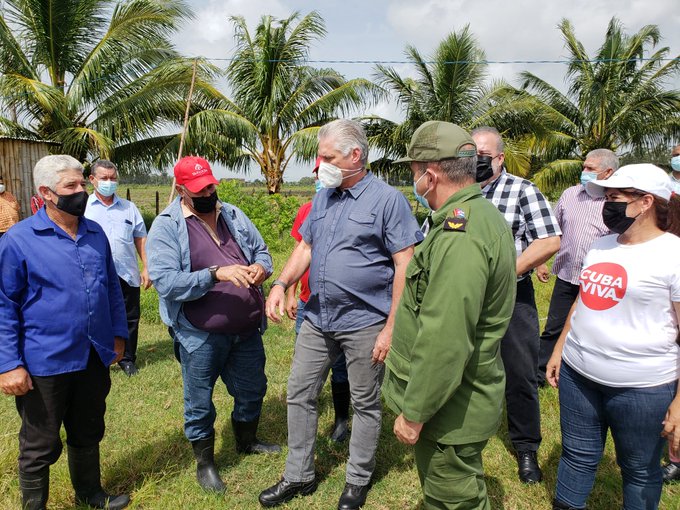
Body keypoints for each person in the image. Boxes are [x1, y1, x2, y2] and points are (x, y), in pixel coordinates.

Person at [259, 119, 423, 510]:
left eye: (327, 156)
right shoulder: (323, 198)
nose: (321, 164)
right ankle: (299, 474)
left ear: (355, 156)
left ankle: (357, 479)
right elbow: (305, 248)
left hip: (365, 322)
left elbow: (405, 264)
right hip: (317, 318)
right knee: (300, 392)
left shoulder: (388, 200)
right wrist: (280, 284)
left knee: (365, 402)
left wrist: (391, 328)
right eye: (320, 156)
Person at [382, 121, 517, 509]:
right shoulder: (476, 216)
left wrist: (415, 412)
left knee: (453, 501)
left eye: (413, 173)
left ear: (430, 174)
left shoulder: (462, 234)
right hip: (457, 397)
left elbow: (446, 337)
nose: (414, 182)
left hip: (449, 408)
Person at [546, 163, 680, 510]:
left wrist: (679, 402)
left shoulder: (673, 255)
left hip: (642, 389)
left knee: (638, 469)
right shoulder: (601, 246)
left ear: (646, 202)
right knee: (576, 455)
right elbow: (583, 301)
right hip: (579, 375)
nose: (608, 205)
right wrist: (560, 349)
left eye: (616, 197)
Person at [0, 155, 129, 510]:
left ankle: (90, 494)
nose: (81, 192)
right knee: (39, 442)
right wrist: (9, 364)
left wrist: (118, 335)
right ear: (46, 193)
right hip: (45, 360)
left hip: (92, 353)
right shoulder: (19, 240)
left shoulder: (94, 233)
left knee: (87, 428)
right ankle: (34, 504)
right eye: (70, 187)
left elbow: (111, 289)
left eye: (82, 185)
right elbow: (4, 306)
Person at [146, 155, 280, 494]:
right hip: (199, 334)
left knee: (253, 390)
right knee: (199, 402)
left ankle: (246, 441)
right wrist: (214, 274)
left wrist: (261, 268)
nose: (207, 192)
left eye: (210, 185)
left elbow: (263, 252)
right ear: (180, 189)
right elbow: (165, 281)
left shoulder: (233, 214)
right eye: (198, 189)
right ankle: (205, 463)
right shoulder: (166, 226)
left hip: (246, 330)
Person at [471, 126, 561, 483]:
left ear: (500, 157)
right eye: (470, 156)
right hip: (466, 299)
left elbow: (549, 240)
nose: (476, 163)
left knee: (520, 373)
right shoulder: (460, 194)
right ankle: (469, 435)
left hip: (511, 297)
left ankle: (526, 448)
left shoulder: (522, 190)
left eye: (483, 156)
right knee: (468, 368)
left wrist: (505, 272)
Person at [536, 149, 618, 386]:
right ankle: (541, 373)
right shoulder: (570, 195)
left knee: (593, 330)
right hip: (566, 275)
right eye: (584, 167)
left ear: (608, 172)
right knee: (554, 327)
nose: (584, 172)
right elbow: (551, 231)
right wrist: (541, 261)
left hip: (598, 282)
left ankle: (586, 375)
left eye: (590, 169)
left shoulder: (614, 203)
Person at [286, 157, 350, 443]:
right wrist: (289, 292)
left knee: (341, 367)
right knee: (306, 360)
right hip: (307, 302)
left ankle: (341, 419)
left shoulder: (352, 209)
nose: (321, 181)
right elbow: (299, 252)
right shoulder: (307, 210)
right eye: (318, 175)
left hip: (340, 305)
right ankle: (305, 413)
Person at [85, 160, 151, 377]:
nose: (109, 182)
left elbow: (141, 238)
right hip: (93, 274)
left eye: (113, 178)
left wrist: (146, 268)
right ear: (92, 180)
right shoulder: (83, 208)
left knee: (129, 317)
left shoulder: (129, 208)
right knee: (94, 316)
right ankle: (97, 357)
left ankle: (127, 359)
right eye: (104, 178)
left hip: (126, 272)